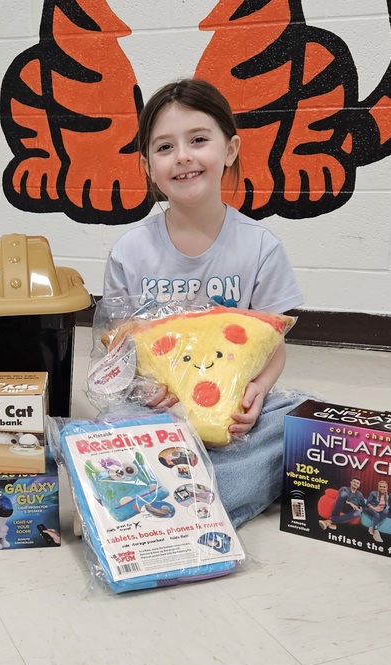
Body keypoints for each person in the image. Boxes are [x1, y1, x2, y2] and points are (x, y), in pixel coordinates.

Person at [102, 78, 309, 527]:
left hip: (233, 414)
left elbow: (274, 346)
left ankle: (165, 502)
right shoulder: (130, 252)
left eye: (198, 140)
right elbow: (117, 352)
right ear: (147, 166)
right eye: (164, 147)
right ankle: (203, 497)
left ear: (230, 149)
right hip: (158, 410)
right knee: (109, 426)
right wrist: (146, 391)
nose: (183, 156)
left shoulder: (260, 248)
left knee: (298, 417)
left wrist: (256, 393)